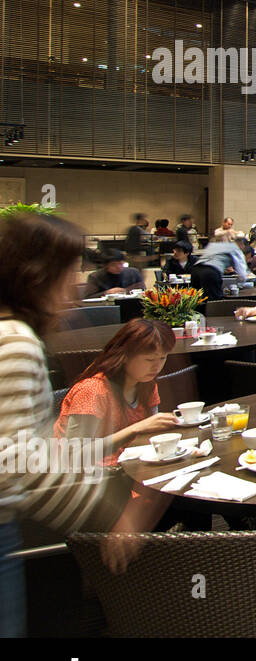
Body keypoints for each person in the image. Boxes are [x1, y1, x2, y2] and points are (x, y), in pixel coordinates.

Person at [1, 213, 164, 635]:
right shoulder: (15, 341)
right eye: (68, 273)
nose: (74, 289)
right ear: (38, 276)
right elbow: (16, 464)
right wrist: (113, 519)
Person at [54, 319, 179, 452]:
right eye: (149, 359)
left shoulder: (147, 385)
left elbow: (150, 433)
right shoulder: (93, 390)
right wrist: (135, 429)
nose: (157, 367)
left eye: (163, 358)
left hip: (130, 458)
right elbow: (75, 453)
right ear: (124, 356)